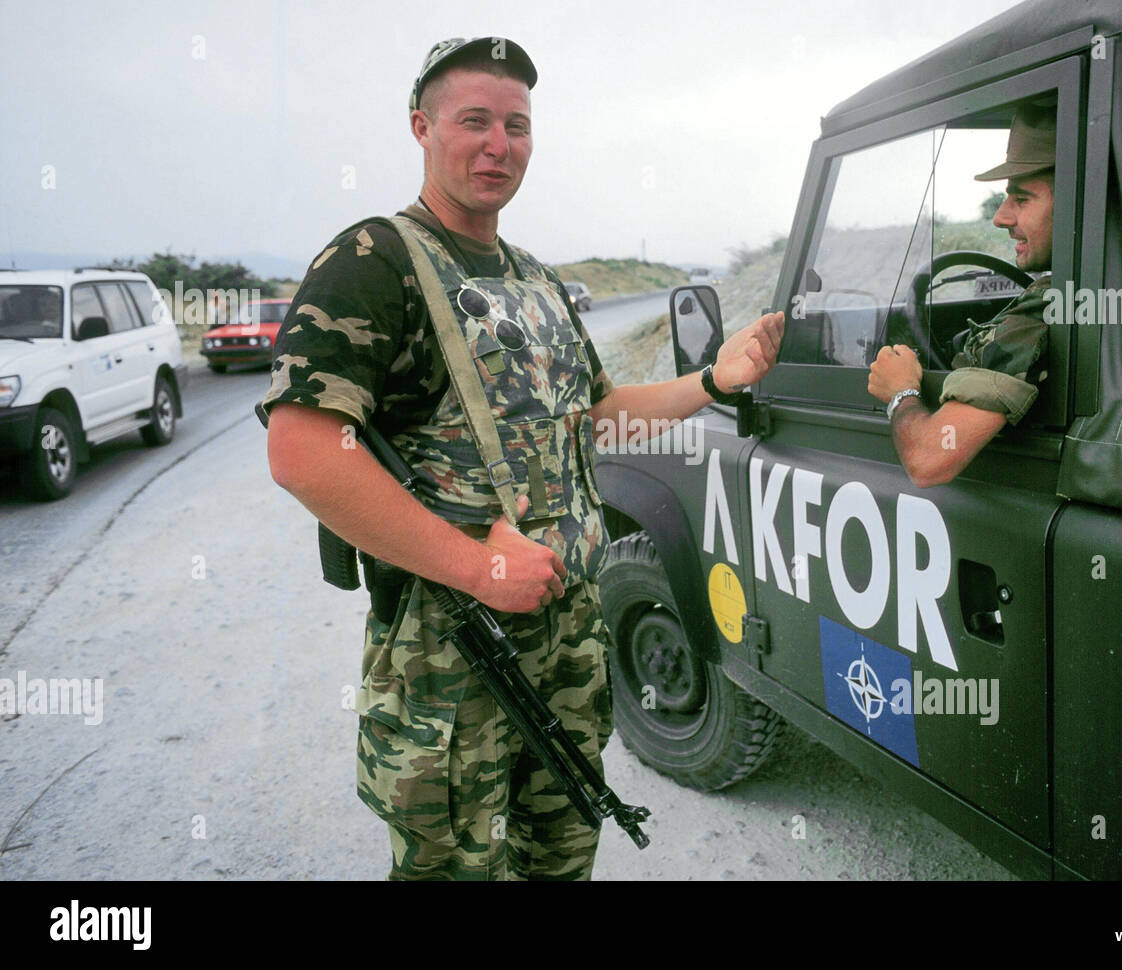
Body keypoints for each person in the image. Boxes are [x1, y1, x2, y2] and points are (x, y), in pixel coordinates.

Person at [259, 36, 784, 880]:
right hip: (451, 647)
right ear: (422, 126)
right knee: (456, 868)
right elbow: (304, 453)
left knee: (563, 852)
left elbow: (600, 419)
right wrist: (472, 567)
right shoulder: (372, 261)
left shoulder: (538, 281)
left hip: (568, 632)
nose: (498, 145)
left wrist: (714, 381)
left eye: (517, 125)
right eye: (475, 121)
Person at [867, 103, 1055, 487]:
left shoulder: (1049, 306)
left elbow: (929, 457)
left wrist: (900, 391)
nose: (1000, 217)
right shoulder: (1107, 287)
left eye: (1021, 199)